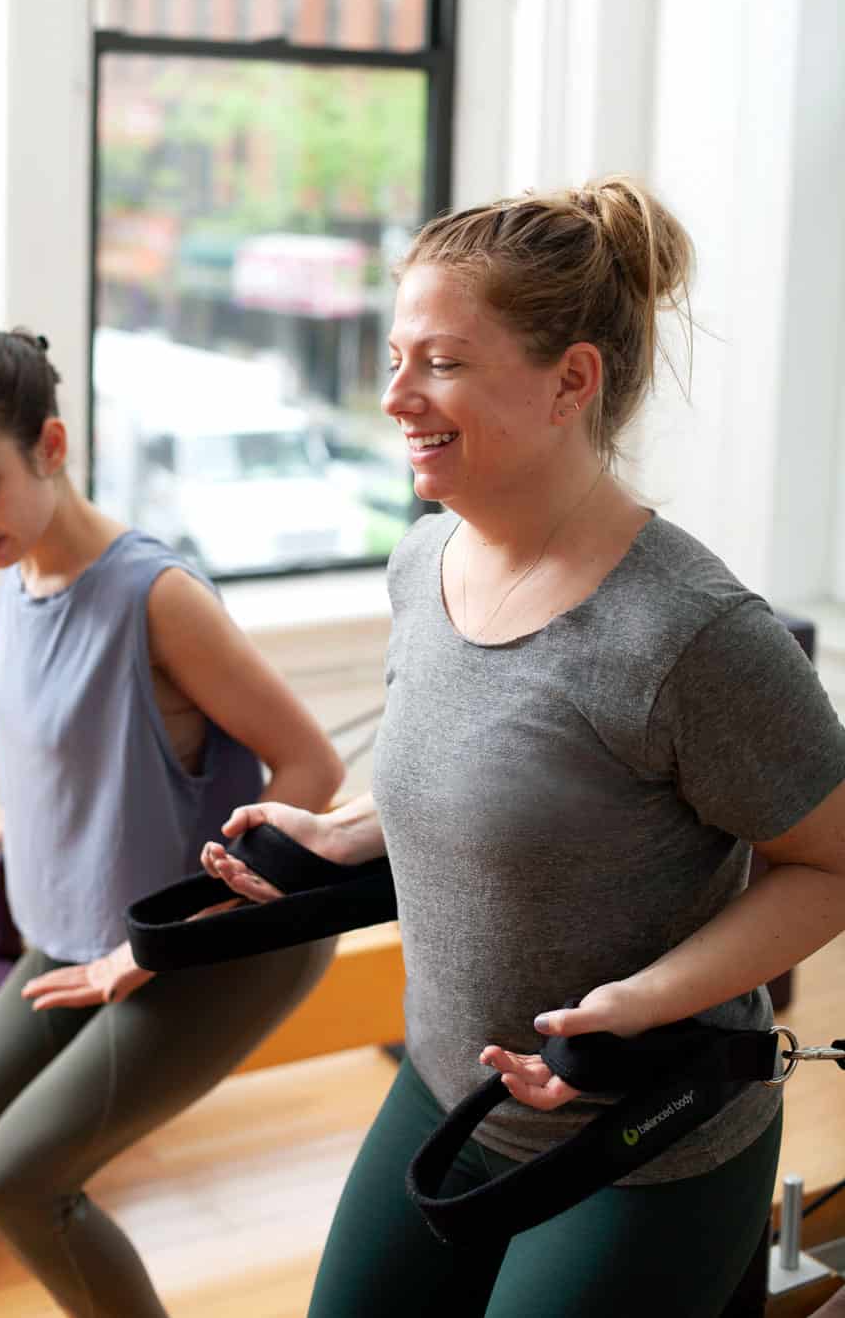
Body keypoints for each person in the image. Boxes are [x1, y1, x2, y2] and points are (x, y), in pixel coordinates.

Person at [195, 178, 845, 1318]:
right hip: (450, 1088)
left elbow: (831, 861)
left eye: (438, 362)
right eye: (394, 357)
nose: (394, 396)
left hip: (639, 1136)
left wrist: (644, 998)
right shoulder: (423, 562)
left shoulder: (689, 634)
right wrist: (341, 834)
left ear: (570, 381)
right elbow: (492, 783)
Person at [0, 325, 344, 1318]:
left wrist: (178, 930)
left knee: (18, 1179)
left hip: (215, 943)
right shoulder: (19, 580)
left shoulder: (157, 596)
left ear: (50, 447)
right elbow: (113, 759)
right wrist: (4, 824)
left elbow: (312, 764)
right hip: (85, 936)